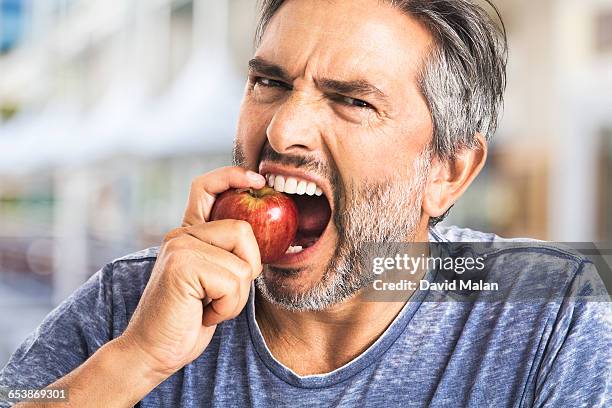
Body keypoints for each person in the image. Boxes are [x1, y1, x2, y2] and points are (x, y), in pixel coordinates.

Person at [1, 0, 610, 407]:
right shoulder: (133, 303)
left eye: (353, 100)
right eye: (270, 83)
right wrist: (133, 361)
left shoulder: (547, 309)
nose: (283, 129)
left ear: (447, 172)